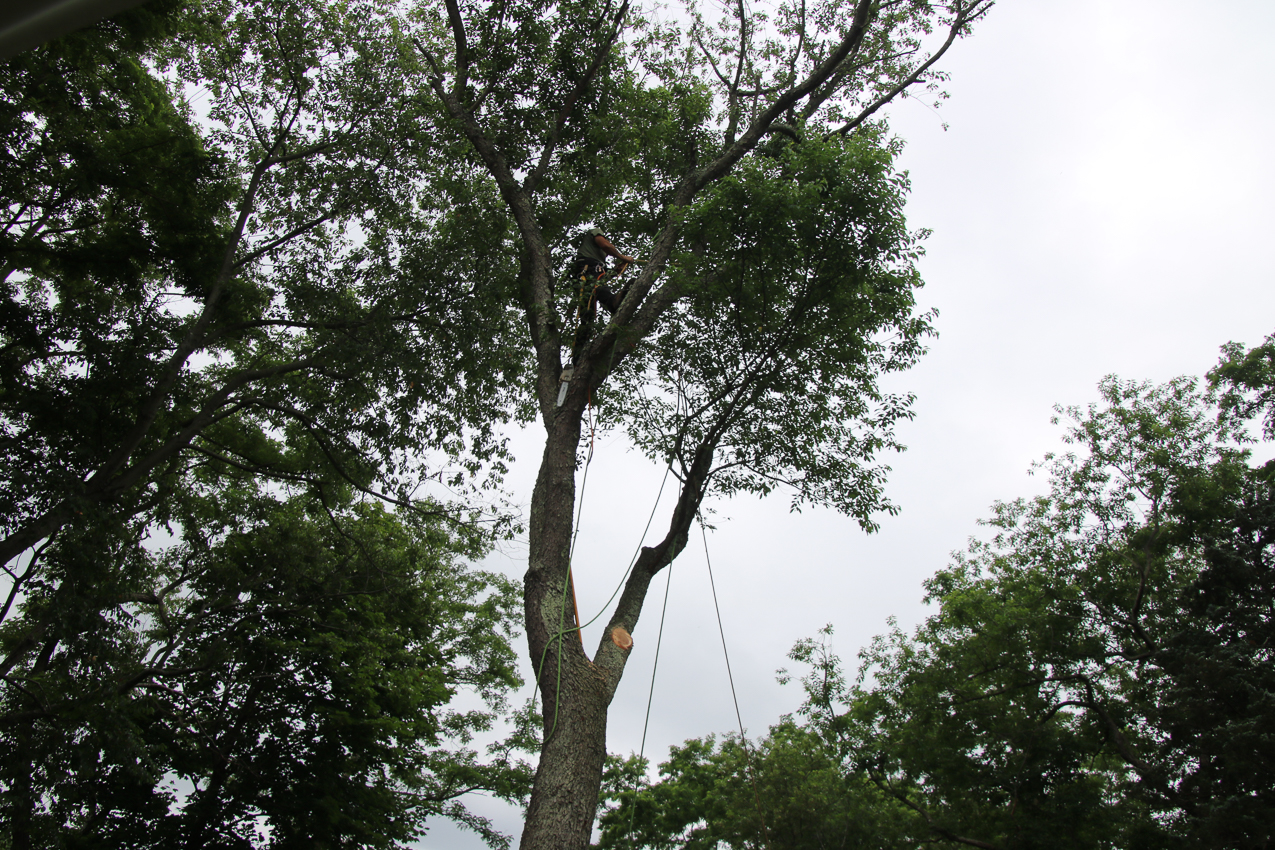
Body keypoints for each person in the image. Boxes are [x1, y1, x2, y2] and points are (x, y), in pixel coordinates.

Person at [568, 227, 637, 364]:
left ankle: (578, 354)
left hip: (588, 274)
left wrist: (616, 270)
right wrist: (623, 257)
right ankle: (612, 302)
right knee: (596, 288)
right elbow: (605, 245)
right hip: (587, 268)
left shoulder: (597, 263)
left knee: (587, 316)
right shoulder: (595, 232)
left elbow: (602, 279)